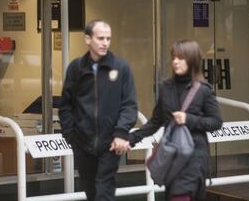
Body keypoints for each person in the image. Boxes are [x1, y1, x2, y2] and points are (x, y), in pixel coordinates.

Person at [129, 40, 223, 201]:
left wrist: (189, 119)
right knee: (175, 195)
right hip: (172, 157)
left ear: (192, 60)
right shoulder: (166, 88)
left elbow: (216, 122)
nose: (175, 62)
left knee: (181, 195)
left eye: (181, 58)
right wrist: (131, 138)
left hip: (195, 157)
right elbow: (156, 121)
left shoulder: (203, 90)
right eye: (173, 58)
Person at [59, 20, 138, 201]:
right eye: (100, 38)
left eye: (108, 38)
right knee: (91, 191)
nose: (105, 43)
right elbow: (66, 105)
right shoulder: (76, 68)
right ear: (88, 39)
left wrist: (120, 132)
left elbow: (129, 104)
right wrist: (71, 135)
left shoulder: (121, 67)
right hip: (83, 143)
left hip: (110, 143)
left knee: (104, 190)